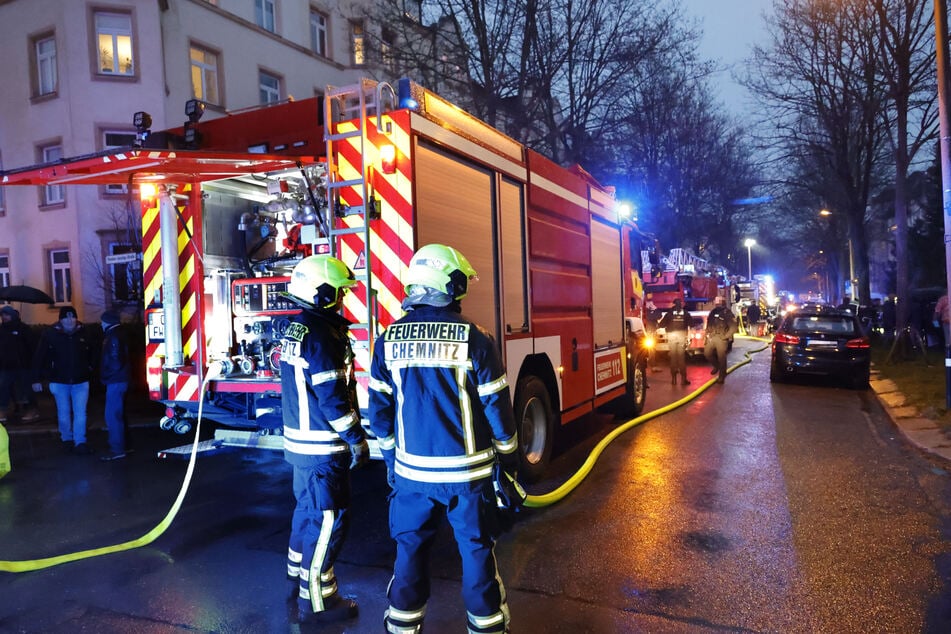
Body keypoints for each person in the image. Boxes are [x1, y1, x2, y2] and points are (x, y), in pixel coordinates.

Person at [369, 243, 519, 634]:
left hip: (412, 476)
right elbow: (496, 408)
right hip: (467, 475)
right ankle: (486, 627)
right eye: (460, 282)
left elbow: (379, 413)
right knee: (475, 550)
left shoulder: (386, 341)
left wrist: (391, 463)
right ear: (449, 285)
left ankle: (402, 626)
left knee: (410, 550)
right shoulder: (475, 338)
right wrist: (509, 456)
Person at [278, 254, 369, 625]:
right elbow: (333, 399)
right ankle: (318, 602)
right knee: (328, 520)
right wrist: (356, 438)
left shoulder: (297, 328)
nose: (342, 301)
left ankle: (297, 573)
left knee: (307, 513)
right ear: (324, 294)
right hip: (322, 450)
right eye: (339, 294)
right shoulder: (323, 336)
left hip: (301, 449)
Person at [32, 306, 96, 454]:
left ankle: (80, 441)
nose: (70, 320)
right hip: (59, 380)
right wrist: (36, 378)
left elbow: (93, 352)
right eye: (66, 317)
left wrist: (90, 368)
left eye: (72, 317)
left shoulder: (84, 332)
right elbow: (39, 356)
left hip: (81, 380)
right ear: (60, 319)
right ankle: (66, 439)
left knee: (81, 412)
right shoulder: (50, 334)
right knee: (64, 412)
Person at [0, 305, 40, 423]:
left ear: (12, 315)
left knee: (27, 388)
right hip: (5, 366)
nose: (4, 317)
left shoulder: (24, 329)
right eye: (2, 315)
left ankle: (32, 409)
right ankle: (2, 409)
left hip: (23, 365)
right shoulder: (1, 330)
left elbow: (32, 347)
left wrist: (33, 363)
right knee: (3, 387)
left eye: (6, 314)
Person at [99, 310, 130, 461]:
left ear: (107, 322)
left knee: (112, 415)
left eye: (102, 321)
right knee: (119, 414)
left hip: (116, 380)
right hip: (122, 379)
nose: (100, 324)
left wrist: (105, 376)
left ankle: (116, 449)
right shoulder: (122, 333)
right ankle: (124, 445)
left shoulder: (113, 337)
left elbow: (115, 361)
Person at [704, 296, 737, 384]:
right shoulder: (713, 312)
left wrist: (726, 336)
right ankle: (716, 366)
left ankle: (722, 375)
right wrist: (707, 333)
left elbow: (733, 327)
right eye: (716, 302)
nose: (716, 303)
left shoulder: (727, 313)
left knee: (721, 357)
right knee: (707, 353)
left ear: (723, 303)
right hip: (712, 336)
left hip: (721, 338)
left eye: (718, 302)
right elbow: (709, 323)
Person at [658, 298, 691, 386]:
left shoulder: (669, 313)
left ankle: (673, 379)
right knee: (681, 357)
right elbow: (692, 323)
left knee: (673, 357)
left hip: (671, 336)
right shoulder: (685, 313)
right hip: (681, 336)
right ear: (681, 304)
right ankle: (683, 380)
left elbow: (661, 324)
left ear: (673, 304)